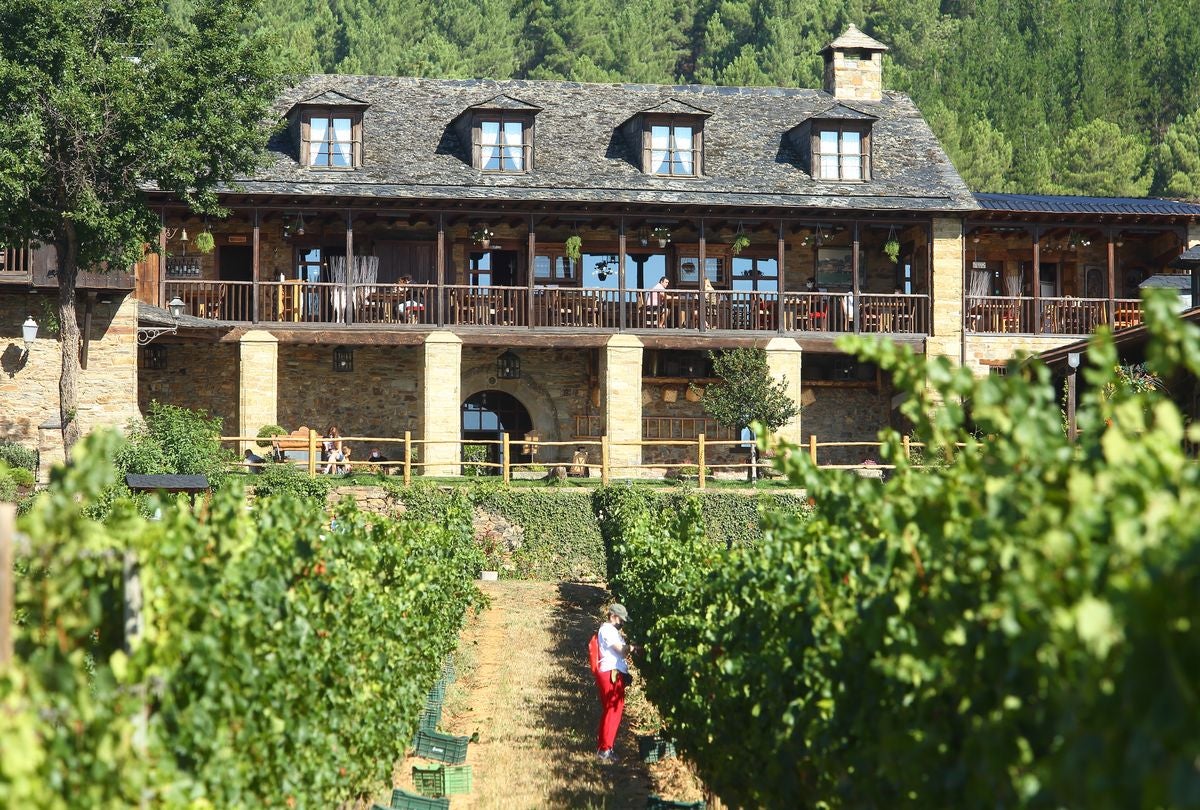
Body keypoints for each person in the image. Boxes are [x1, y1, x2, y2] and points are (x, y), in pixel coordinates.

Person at [594, 603, 639, 763]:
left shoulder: (611, 631)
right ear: (613, 616)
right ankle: (605, 749)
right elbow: (620, 650)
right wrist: (632, 648)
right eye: (622, 620)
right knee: (613, 710)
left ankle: (606, 747)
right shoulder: (607, 630)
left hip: (613, 673)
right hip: (611, 674)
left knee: (613, 710)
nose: (623, 624)